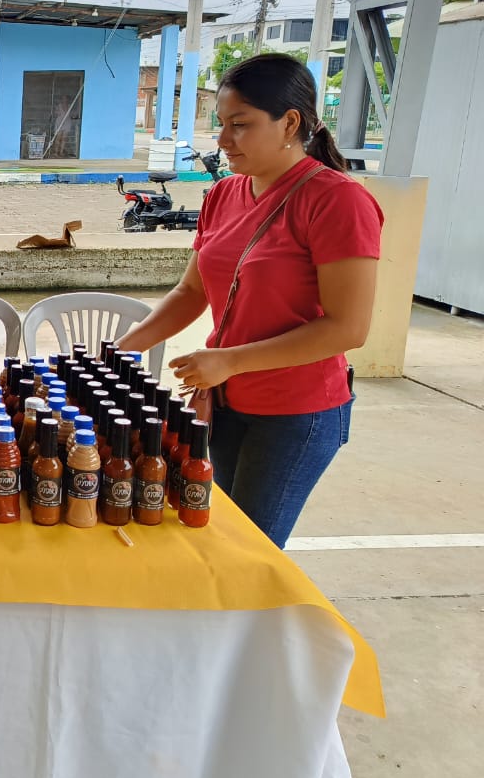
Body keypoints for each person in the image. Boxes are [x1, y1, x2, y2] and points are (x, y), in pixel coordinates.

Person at [117, 53, 383, 547]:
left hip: (294, 412)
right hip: (225, 400)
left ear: (290, 124)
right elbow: (191, 291)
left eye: (240, 125)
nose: (222, 140)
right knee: (212, 532)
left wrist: (230, 360)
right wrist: (122, 350)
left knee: (252, 550)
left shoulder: (337, 201)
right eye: (221, 124)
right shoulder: (224, 194)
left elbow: (348, 328)